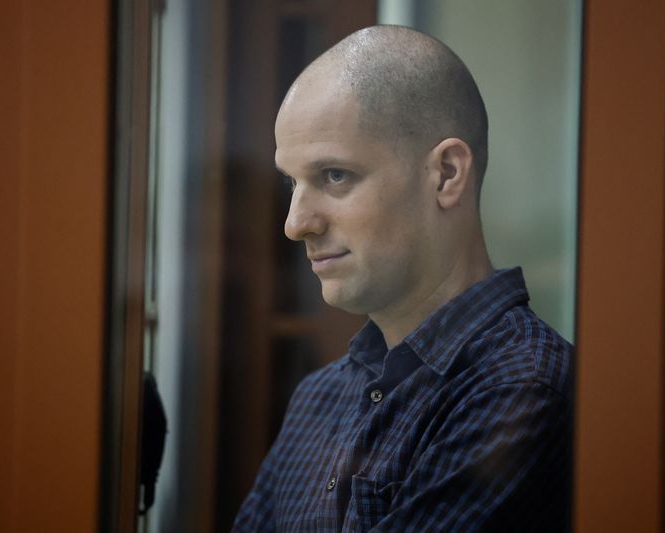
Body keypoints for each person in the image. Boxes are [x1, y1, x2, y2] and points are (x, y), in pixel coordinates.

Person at [233, 25, 573, 532]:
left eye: (334, 176)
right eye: (292, 182)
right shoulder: (319, 396)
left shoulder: (521, 388)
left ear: (446, 174)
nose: (295, 222)